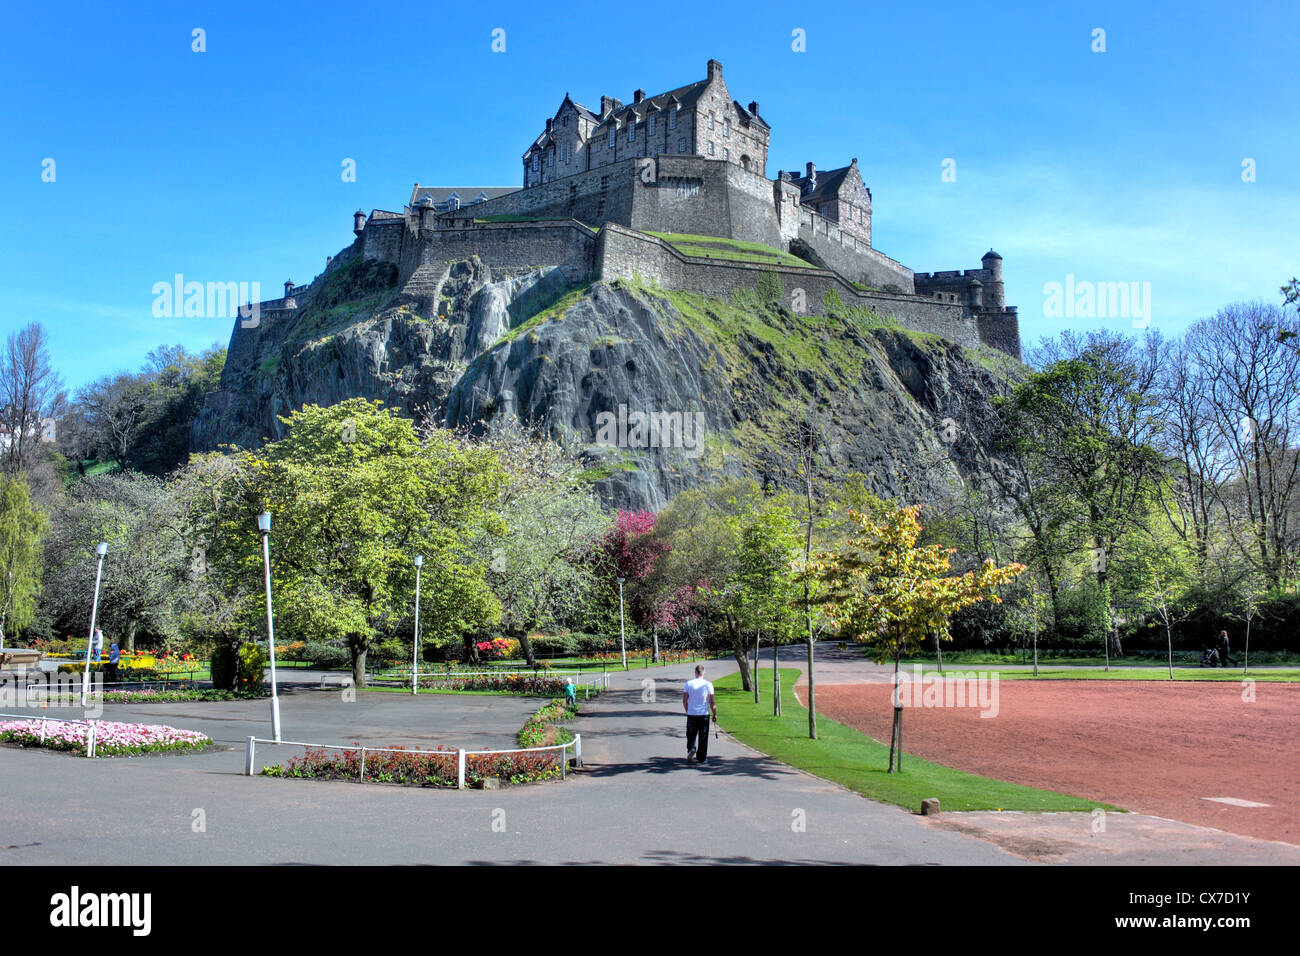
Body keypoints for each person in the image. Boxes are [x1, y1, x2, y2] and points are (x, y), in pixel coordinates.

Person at [682, 664, 717, 765]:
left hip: (692, 713)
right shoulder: (708, 684)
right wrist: (715, 713)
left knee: (691, 734)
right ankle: (702, 758)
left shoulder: (688, 684)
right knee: (703, 736)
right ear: (704, 673)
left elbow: (684, 700)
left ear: (695, 672)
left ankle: (691, 749)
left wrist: (688, 711)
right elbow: (711, 701)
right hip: (704, 714)